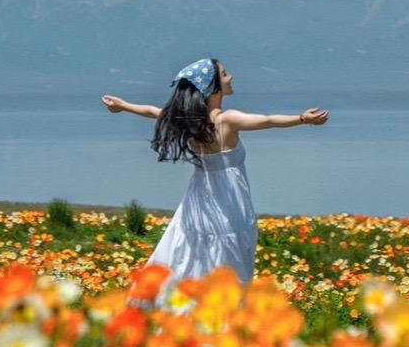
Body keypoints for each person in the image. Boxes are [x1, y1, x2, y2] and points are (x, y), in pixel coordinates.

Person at [102, 58, 328, 312]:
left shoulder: (188, 120)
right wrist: (302, 118)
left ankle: (178, 307)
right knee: (228, 260)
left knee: (188, 254)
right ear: (213, 86)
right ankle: (220, 314)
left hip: (198, 201)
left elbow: (152, 111)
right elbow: (268, 120)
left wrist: (122, 106)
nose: (231, 77)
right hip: (228, 203)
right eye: (225, 74)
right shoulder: (226, 120)